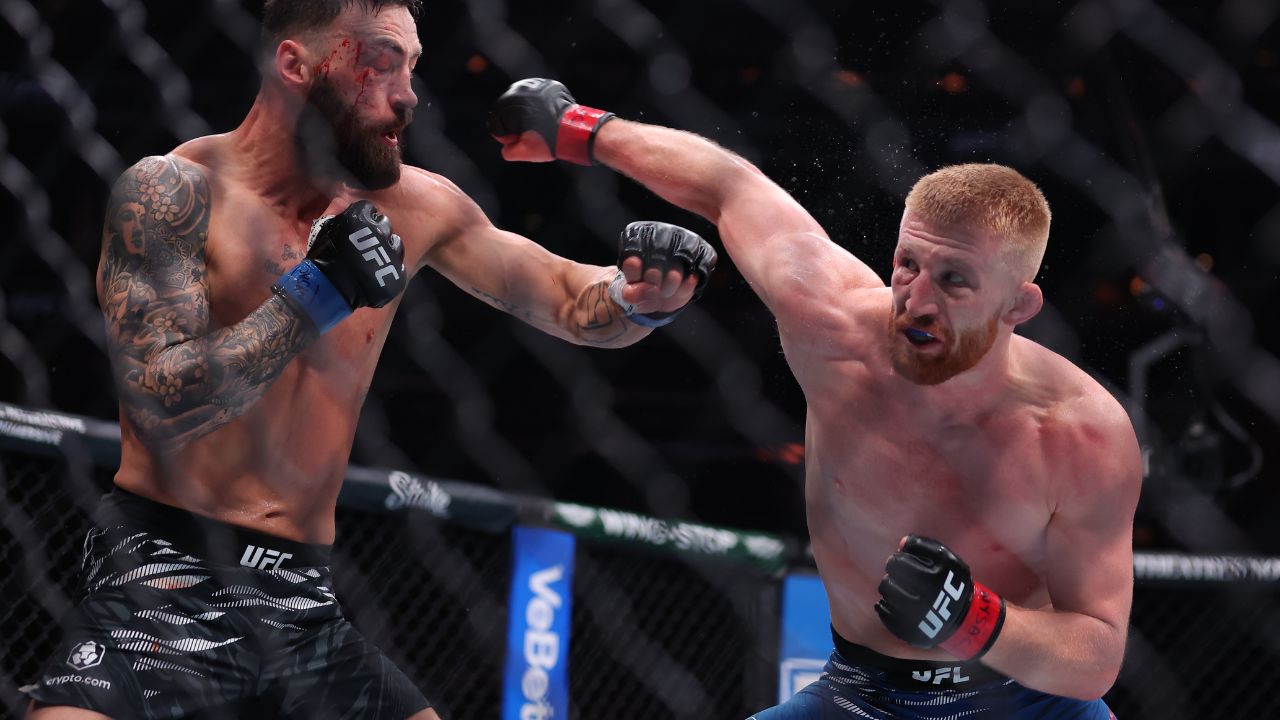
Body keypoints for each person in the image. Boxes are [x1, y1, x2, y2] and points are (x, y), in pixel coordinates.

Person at [21, 4, 715, 719]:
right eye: (381, 64)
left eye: (412, 67)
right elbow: (159, 402)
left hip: (304, 608)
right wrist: (315, 296)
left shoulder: (416, 206)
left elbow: (570, 300)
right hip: (161, 584)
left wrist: (641, 297)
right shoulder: (174, 191)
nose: (408, 95)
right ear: (296, 65)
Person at [489, 79, 1140, 719]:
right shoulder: (835, 327)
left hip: (1029, 707)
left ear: (1019, 305)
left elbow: (1097, 654)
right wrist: (576, 127)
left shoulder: (1081, 432)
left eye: (954, 281)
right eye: (907, 265)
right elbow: (730, 187)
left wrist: (974, 619)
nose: (916, 301)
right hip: (862, 697)